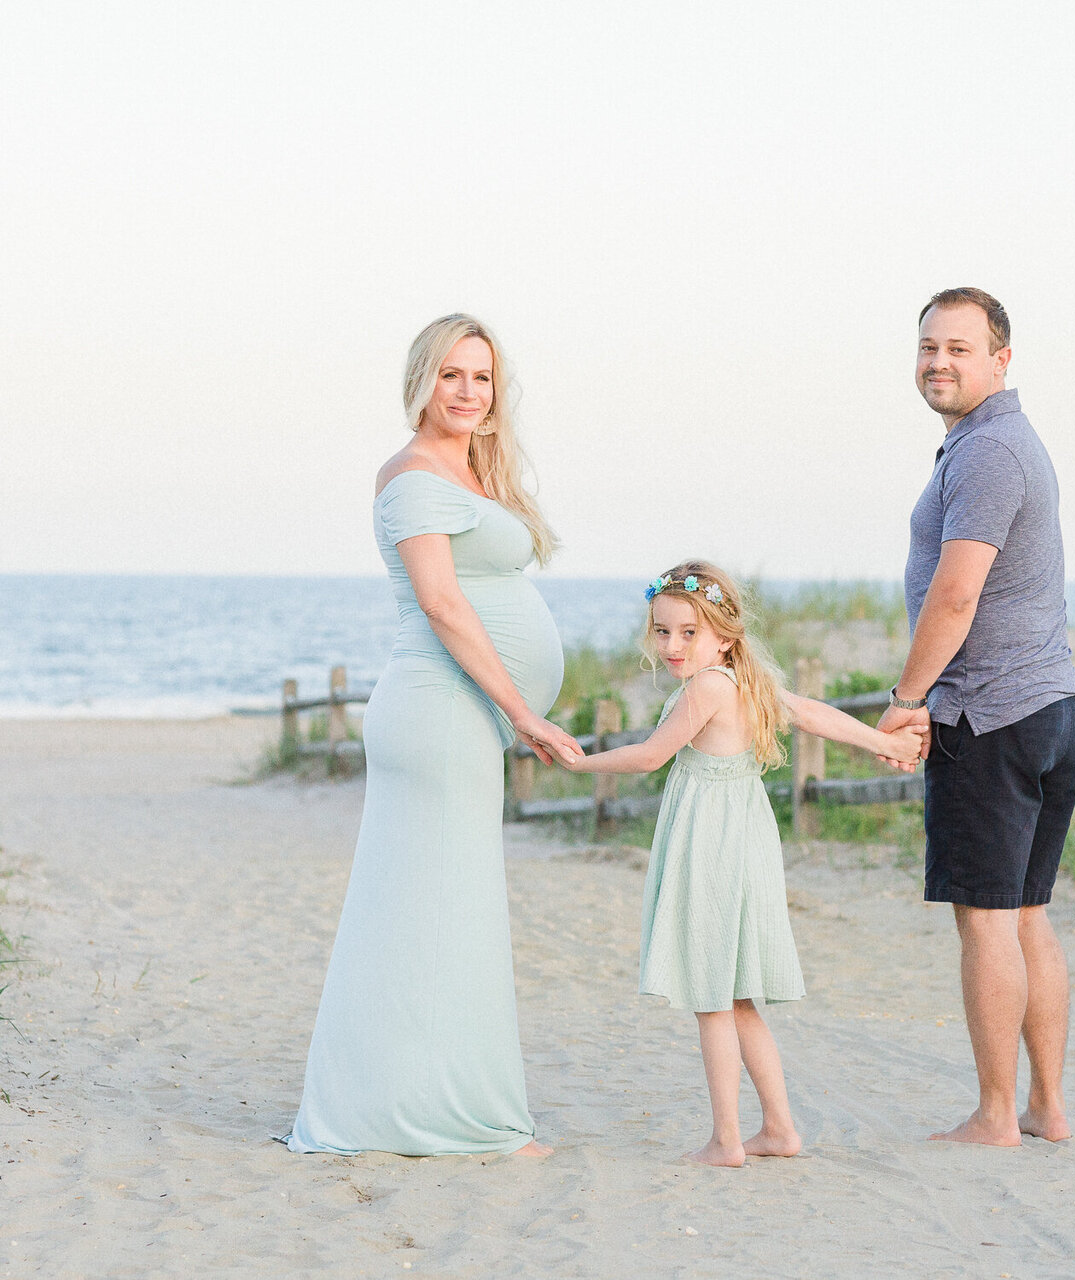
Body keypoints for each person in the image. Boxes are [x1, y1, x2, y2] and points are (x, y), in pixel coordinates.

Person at [285, 314, 583, 1158]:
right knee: (438, 919)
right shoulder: (414, 476)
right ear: (422, 380)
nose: (467, 391)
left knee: (441, 918)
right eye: (451, 374)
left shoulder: (470, 471)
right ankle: (459, 1116)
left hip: (461, 720)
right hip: (438, 713)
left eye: (481, 377)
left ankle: (428, 1104)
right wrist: (523, 714)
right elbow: (443, 605)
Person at [561, 561, 926, 1167]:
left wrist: (580, 765)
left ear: (723, 635)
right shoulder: (740, 679)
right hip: (740, 837)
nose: (672, 646)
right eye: (662, 632)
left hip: (714, 842)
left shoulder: (708, 687)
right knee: (736, 998)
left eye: (688, 633)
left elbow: (652, 757)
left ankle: (725, 1140)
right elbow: (813, 714)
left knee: (711, 992)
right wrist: (885, 743)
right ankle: (779, 1130)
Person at [877, 288, 1075, 1147]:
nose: (938, 362)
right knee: (1027, 912)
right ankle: (1045, 1107)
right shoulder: (998, 443)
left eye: (960, 348)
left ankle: (998, 1113)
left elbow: (956, 591)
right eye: (928, 347)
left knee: (991, 921)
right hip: (1049, 705)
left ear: (1002, 359)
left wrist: (905, 699)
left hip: (994, 714)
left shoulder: (989, 451)